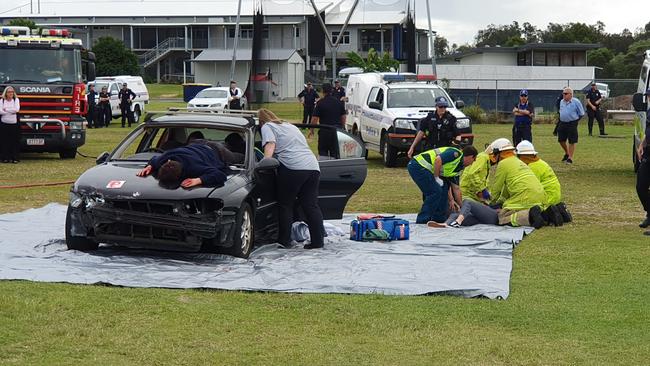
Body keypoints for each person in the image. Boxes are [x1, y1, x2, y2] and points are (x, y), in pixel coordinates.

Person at [258, 108, 324, 249]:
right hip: (313, 166)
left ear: (261, 121)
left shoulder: (267, 126)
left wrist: (264, 163)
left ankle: (284, 241)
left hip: (293, 167)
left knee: (285, 205)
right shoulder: (290, 126)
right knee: (311, 205)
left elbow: (270, 144)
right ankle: (318, 242)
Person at [407, 145, 478, 224]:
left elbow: (456, 189)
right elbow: (438, 160)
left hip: (428, 170)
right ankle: (422, 220)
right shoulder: (455, 154)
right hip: (418, 165)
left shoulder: (458, 168)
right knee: (435, 191)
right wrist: (436, 178)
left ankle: (438, 219)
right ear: (471, 156)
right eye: (474, 160)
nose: (472, 163)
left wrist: (461, 207)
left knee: (443, 190)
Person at [486, 138, 546, 228]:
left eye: (494, 154)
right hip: (539, 197)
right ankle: (549, 214)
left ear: (499, 153)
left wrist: (491, 204)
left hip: (525, 197)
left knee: (502, 218)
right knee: (510, 207)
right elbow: (506, 189)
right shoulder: (518, 161)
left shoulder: (503, 164)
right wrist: (501, 202)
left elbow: (496, 189)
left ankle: (529, 216)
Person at [515, 140, 571, 226]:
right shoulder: (541, 163)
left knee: (530, 209)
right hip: (555, 195)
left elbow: (530, 189)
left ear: (522, 156)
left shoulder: (531, 168)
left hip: (546, 198)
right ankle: (559, 209)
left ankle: (549, 215)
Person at [136, 140, 230, 189]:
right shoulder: (163, 160)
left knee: (236, 154)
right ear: (167, 161)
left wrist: (199, 180)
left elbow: (220, 175)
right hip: (194, 143)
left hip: (216, 150)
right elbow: (153, 160)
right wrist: (149, 166)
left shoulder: (193, 166)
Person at [310, 83, 346, 158]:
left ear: (323, 91)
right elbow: (343, 117)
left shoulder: (320, 103)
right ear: (332, 90)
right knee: (335, 152)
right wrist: (341, 127)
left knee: (323, 152)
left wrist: (312, 129)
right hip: (336, 131)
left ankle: (325, 167)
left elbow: (314, 118)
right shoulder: (338, 102)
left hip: (325, 131)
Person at [557, 87, 585, 165]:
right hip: (562, 122)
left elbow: (581, 113)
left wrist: (575, 121)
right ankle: (567, 153)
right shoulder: (561, 102)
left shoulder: (576, 102)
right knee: (561, 140)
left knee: (572, 140)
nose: (564, 95)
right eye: (563, 93)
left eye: (565, 93)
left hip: (572, 122)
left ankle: (570, 158)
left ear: (571, 94)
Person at [636, 88, 650, 235]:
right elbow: (648, 131)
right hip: (648, 152)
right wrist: (642, 145)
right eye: (648, 96)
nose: (648, 98)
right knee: (641, 186)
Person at [427, 199, 498, 228]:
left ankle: (458, 222)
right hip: (486, 216)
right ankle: (446, 224)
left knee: (468, 202)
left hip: (498, 215)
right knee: (455, 215)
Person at [0, 86, 21, 164]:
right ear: (6, 93)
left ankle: (15, 158)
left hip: (14, 124)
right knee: (4, 142)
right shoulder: (2, 101)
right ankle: (5, 158)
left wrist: (6, 109)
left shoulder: (16, 100)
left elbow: (16, 110)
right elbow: (0, 111)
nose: (11, 93)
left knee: (14, 142)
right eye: (9, 92)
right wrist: (11, 111)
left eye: (12, 92)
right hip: (4, 124)